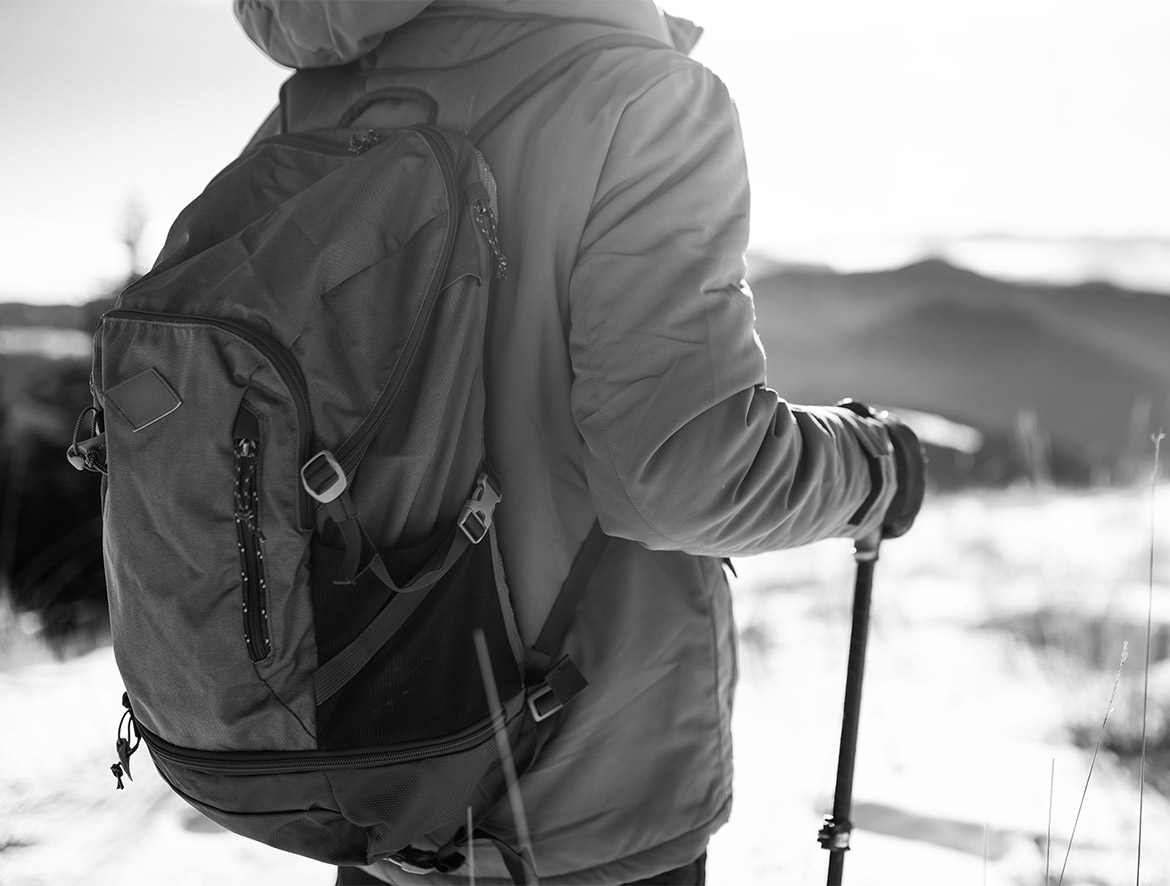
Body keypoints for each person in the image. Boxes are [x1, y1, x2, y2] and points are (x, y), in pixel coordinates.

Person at [232, 2, 926, 884]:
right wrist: (874, 468)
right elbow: (683, 477)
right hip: (582, 790)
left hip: (371, 776)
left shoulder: (312, 109)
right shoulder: (638, 97)